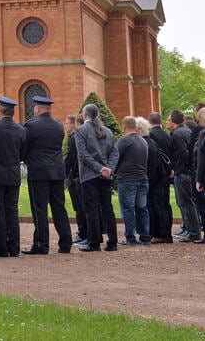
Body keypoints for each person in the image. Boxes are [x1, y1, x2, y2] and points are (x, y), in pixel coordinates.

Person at [21, 95, 73, 254]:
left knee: (39, 209)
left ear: (36, 109)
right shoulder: (58, 125)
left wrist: (25, 158)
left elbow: (24, 147)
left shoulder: (31, 126)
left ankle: (41, 244)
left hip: (39, 171)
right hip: (57, 170)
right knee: (59, 208)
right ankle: (65, 243)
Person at [75, 103, 119, 251]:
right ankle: (112, 242)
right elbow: (114, 152)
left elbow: (83, 154)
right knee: (107, 208)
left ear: (85, 115)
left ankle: (94, 242)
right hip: (105, 175)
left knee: (92, 209)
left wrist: (100, 169)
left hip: (90, 175)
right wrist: (109, 168)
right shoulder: (108, 131)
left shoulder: (81, 130)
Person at [0, 96, 26, 257]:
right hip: (13, 173)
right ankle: (14, 247)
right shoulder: (20, 129)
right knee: (12, 210)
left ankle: (1, 247)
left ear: (0, 110)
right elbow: (23, 153)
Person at [167, 109, 202, 242]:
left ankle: (193, 232)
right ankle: (193, 230)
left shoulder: (176, 134)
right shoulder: (187, 131)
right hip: (189, 171)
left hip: (183, 172)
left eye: (169, 119)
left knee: (186, 202)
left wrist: (179, 168)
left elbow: (183, 153)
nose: (166, 122)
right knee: (190, 202)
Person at [115, 116, 150, 245]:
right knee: (142, 208)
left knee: (128, 208)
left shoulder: (123, 141)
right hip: (142, 178)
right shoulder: (143, 141)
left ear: (124, 126)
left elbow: (115, 158)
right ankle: (145, 236)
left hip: (127, 179)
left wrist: (114, 172)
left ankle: (130, 238)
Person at [147, 112, 174, 243]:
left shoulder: (151, 135)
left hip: (157, 175)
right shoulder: (166, 134)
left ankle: (161, 234)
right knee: (165, 204)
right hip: (166, 173)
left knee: (157, 205)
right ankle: (167, 232)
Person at [64, 114, 88, 245]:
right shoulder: (74, 138)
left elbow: (72, 158)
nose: (65, 125)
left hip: (76, 176)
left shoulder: (74, 138)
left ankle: (83, 231)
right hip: (76, 174)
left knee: (79, 206)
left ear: (74, 124)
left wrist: (69, 173)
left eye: (67, 123)